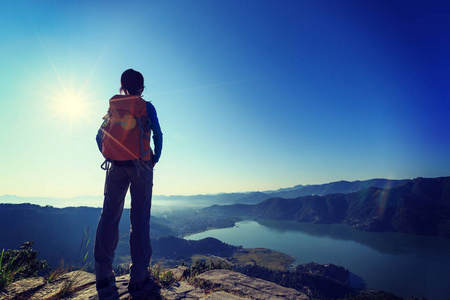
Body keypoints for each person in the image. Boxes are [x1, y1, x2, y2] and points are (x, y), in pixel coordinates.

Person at [94, 69, 163, 294]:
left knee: (109, 216)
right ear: (142, 87)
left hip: (116, 167)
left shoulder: (114, 107)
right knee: (139, 218)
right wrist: (154, 159)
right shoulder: (146, 107)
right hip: (141, 166)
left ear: (122, 85)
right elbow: (158, 135)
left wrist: (109, 155)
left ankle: (103, 275)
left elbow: (98, 136)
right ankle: (139, 276)